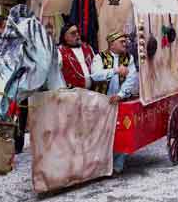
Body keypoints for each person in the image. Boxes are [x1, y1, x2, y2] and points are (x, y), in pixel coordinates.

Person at [91, 31, 138, 173]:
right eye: (121, 41)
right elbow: (96, 76)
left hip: (120, 100)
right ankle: (102, 164)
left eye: (125, 41)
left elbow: (131, 79)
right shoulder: (99, 57)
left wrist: (121, 95)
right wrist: (115, 70)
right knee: (102, 133)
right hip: (102, 101)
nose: (125, 44)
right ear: (112, 44)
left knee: (122, 132)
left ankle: (118, 164)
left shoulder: (128, 58)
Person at [58, 23, 95, 89]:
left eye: (78, 32)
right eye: (73, 33)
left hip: (91, 93)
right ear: (65, 37)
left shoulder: (88, 48)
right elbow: (56, 75)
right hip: (72, 95)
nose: (77, 35)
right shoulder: (60, 52)